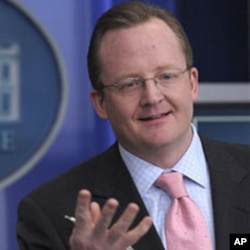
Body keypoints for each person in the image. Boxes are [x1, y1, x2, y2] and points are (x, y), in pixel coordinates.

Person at [16, 1, 250, 250]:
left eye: (166, 76)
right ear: (101, 103)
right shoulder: (50, 214)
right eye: (130, 84)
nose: (152, 97)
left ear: (192, 83)